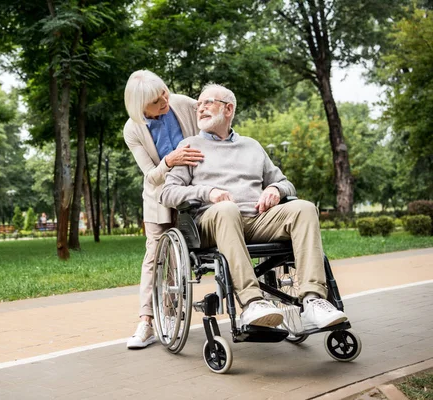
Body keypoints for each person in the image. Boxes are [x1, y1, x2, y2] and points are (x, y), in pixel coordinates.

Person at [160, 83, 347, 330]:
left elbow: (285, 183)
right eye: (198, 104)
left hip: (256, 219)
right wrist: (208, 192)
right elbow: (167, 193)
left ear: (228, 109)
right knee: (227, 209)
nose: (200, 108)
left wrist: (275, 189)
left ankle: (313, 300)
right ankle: (252, 302)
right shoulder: (190, 146)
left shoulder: (252, 146)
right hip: (212, 223)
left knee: (304, 208)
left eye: (208, 102)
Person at [123, 70, 204, 349]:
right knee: (155, 255)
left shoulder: (183, 104)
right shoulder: (133, 129)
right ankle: (147, 322)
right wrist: (169, 161)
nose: (164, 101)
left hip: (195, 191)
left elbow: (213, 119)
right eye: (156, 101)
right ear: (140, 106)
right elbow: (150, 175)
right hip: (159, 197)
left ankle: (171, 314)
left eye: (164, 93)